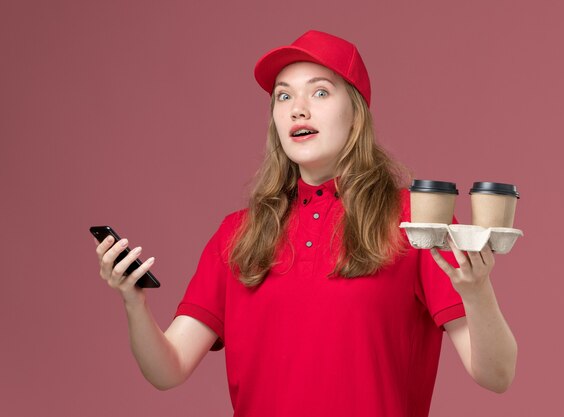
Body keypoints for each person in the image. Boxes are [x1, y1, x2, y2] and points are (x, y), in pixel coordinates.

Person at [94, 30, 517, 417]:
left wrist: (477, 293)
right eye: (283, 97)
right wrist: (134, 301)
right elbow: (167, 369)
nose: (298, 109)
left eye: (319, 92)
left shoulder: (417, 220)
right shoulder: (236, 234)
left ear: (356, 112)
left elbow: (496, 376)